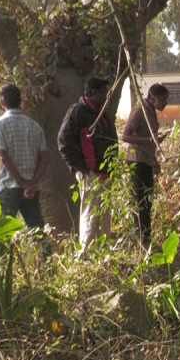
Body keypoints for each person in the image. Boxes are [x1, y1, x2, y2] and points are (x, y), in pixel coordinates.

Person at [58, 77, 116, 250]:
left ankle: (103, 251)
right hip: (89, 172)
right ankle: (86, 253)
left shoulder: (102, 112)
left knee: (105, 214)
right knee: (90, 212)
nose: (106, 97)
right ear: (91, 93)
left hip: (105, 172)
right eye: (102, 93)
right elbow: (63, 142)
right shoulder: (77, 112)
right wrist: (80, 169)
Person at [0, 84, 47, 228]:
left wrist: (22, 182)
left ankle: (5, 252)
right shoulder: (34, 126)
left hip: (9, 185)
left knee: (2, 231)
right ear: (20, 101)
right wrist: (32, 183)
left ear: (2, 102)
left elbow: (4, 157)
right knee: (36, 228)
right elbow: (45, 158)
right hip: (31, 188)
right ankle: (46, 251)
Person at [121, 83, 169, 248]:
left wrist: (155, 160)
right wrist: (149, 140)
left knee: (147, 202)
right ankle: (142, 241)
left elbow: (150, 141)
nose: (165, 104)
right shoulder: (140, 110)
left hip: (146, 160)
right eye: (163, 100)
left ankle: (145, 239)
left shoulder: (150, 111)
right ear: (152, 97)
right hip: (137, 162)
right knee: (141, 202)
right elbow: (125, 136)